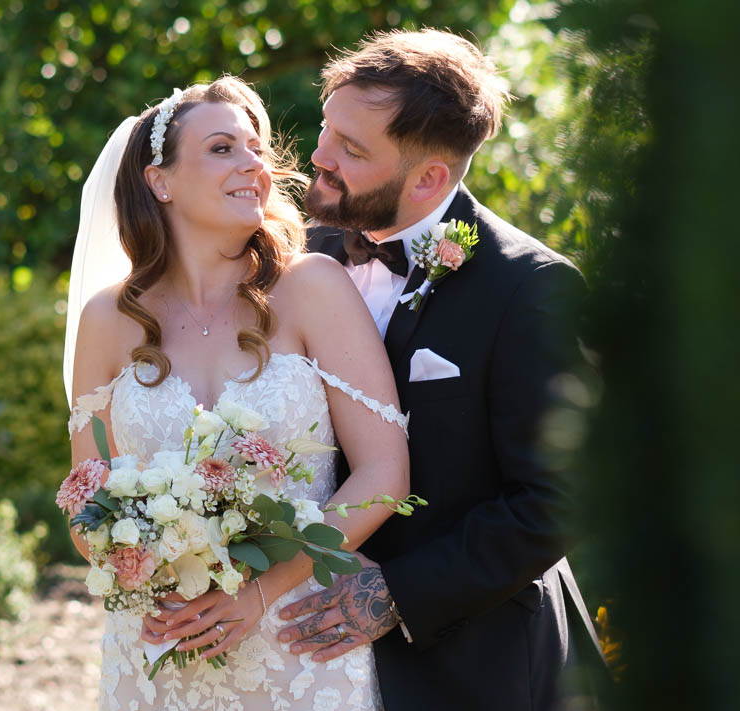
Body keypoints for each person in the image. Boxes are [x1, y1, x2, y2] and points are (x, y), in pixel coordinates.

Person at [64, 76, 411, 710]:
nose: (255, 163)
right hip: (161, 644)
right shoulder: (107, 319)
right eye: (224, 147)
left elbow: (385, 472)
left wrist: (260, 591)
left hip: (298, 645)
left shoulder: (312, 287)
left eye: (257, 147)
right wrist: (148, 567)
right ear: (159, 181)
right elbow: (86, 502)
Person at [277, 29, 593, 710]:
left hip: (473, 665)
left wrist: (399, 592)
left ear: (429, 179)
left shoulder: (529, 289)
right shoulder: (296, 257)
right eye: (328, 130)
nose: (319, 159)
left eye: (352, 151)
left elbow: (559, 497)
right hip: (298, 658)